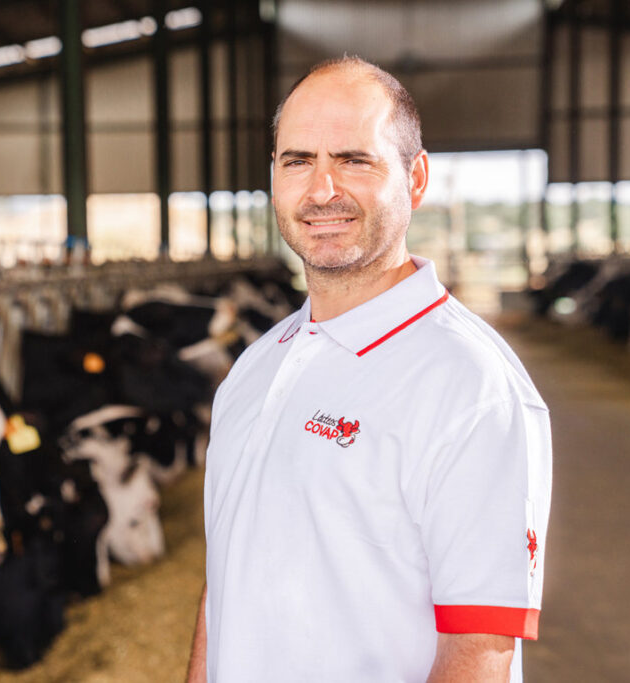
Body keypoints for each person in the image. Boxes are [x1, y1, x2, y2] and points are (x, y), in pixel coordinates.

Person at [187, 56, 552, 683]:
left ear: (416, 178)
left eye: (354, 159)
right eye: (297, 161)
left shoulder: (470, 386)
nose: (321, 190)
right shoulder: (253, 367)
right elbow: (224, 587)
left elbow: (477, 651)